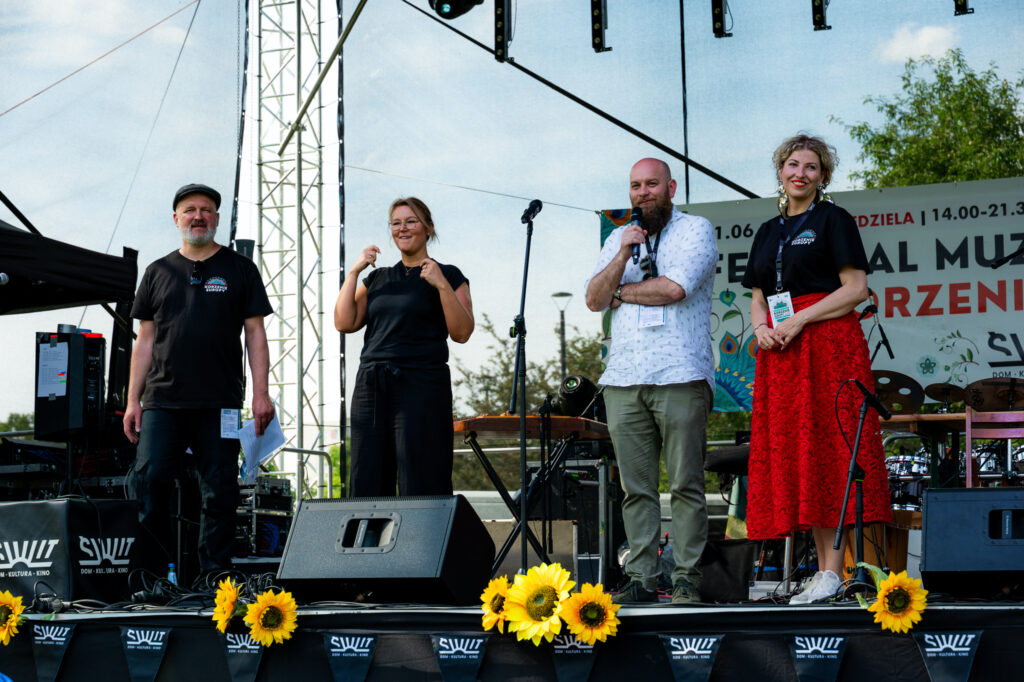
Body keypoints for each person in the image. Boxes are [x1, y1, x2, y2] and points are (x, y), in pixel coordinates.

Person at [741, 134, 892, 604]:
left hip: (827, 343)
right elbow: (757, 297)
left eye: (810, 166)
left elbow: (856, 289)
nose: (799, 173)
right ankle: (816, 574)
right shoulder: (767, 230)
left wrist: (801, 319)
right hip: (781, 353)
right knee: (797, 454)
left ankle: (832, 572)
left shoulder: (834, 219)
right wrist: (762, 328)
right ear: (780, 172)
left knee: (830, 449)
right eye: (792, 164)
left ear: (823, 176)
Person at [585, 158, 717, 604]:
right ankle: (641, 578)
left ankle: (685, 579)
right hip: (624, 376)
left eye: (652, 184)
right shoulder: (617, 238)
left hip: (680, 371)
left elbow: (675, 288)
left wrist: (621, 293)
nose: (643, 193)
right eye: (636, 186)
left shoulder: (696, 229)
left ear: (671, 187)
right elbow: (592, 299)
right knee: (635, 488)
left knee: (684, 483)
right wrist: (624, 252)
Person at [124, 183, 274, 576]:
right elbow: (144, 341)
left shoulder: (240, 269)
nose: (198, 216)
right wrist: (132, 400)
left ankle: (215, 579)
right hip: (162, 401)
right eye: (189, 210)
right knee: (151, 485)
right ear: (176, 219)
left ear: (217, 219)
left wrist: (262, 394)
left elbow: (255, 334)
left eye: (206, 210)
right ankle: (150, 580)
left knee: (220, 490)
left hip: (220, 402)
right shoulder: (157, 271)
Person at [335, 197, 474, 497]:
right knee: (367, 476)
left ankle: (422, 542)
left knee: (421, 475)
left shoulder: (448, 274)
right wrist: (353, 273)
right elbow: (344, 322)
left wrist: (440, 284)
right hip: (372, 384)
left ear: (428, 228)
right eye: (396, 223)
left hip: (421, 383)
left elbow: (462, 332)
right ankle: (368, 542)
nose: (403, 228)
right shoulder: (378, 278)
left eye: (410, 221)